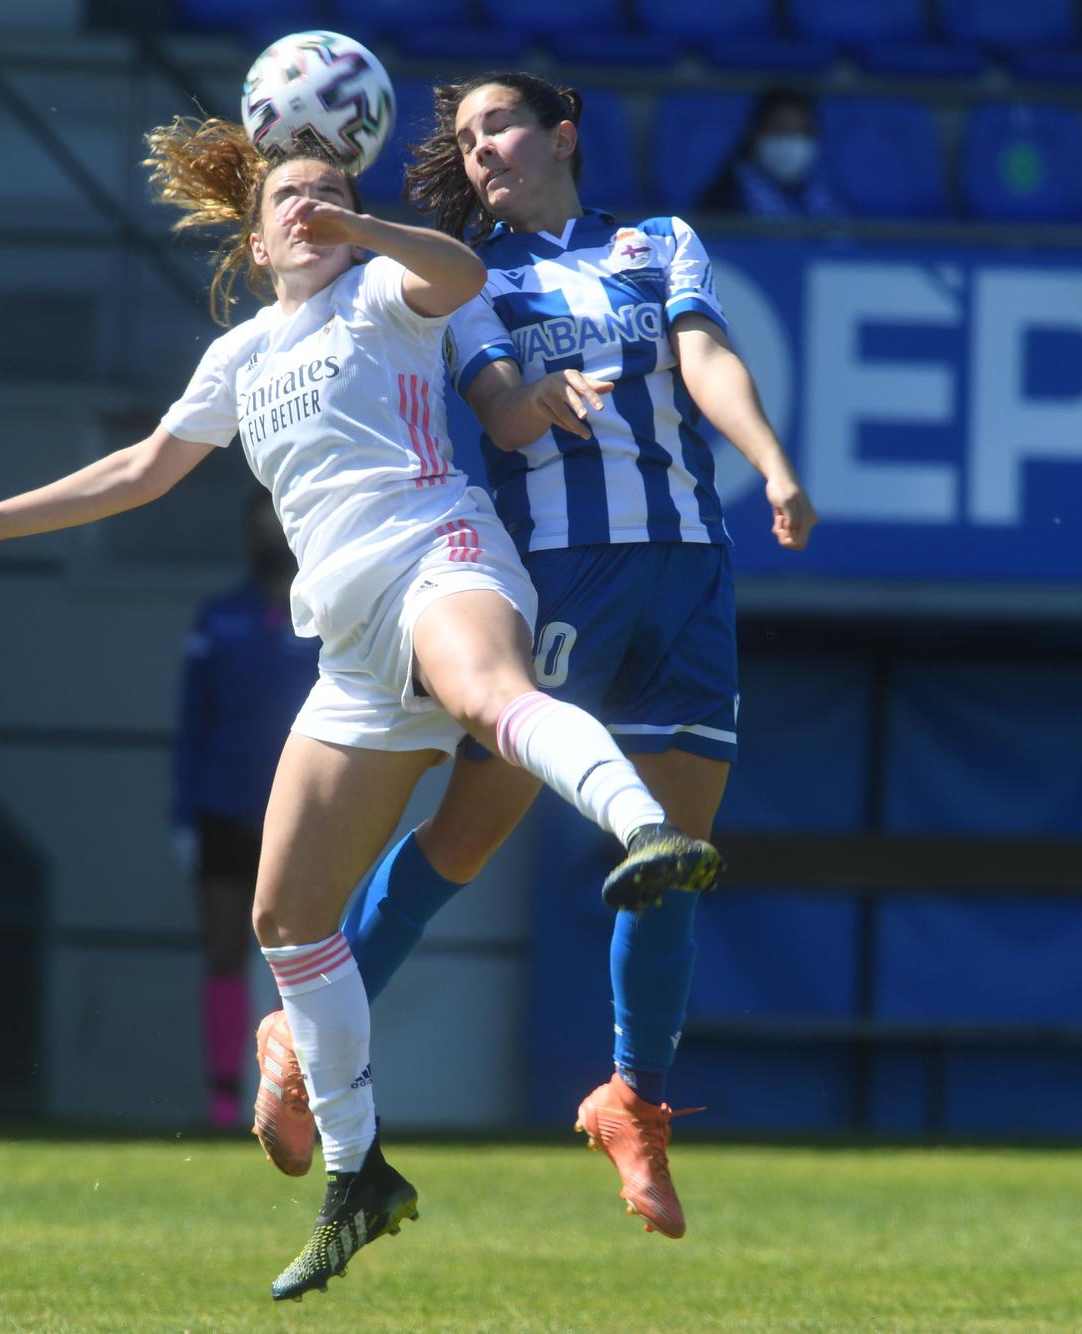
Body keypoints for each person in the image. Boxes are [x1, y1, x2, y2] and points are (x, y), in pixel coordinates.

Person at [0, 117, 723, 1301]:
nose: (311, 205)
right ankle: (358, 1172)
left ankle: (646, 833)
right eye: (292, 193)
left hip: (440, 553)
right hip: (346, 641)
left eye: (331, 188)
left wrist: (363, 221)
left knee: (495, 697)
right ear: (254, 227)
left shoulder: (385, 285)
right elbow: (139, 471)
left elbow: (461, 272)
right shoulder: (238, 356)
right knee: (286, 918)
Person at [250, 72, 818, 1241]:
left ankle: (631, 1099)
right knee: (462, 839)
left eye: (497, 125)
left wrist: (768, 460)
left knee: (676, 852)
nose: (479, 151)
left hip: (688, 572)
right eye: (462, 139)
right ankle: (302, 1031)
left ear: (562, 134)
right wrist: (533, 397)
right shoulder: (462, 275)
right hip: (562, 572)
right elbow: (499, 412)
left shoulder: (658, 241)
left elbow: (704, 358)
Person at [172, 488, 320, 1129]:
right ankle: (223, 1093)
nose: (270, 538)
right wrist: (182, 815)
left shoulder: (323, 616)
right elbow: (190, 724)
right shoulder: (217, 618)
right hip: (224, 809)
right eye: (260, 525)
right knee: (225, 951)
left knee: (309, 957)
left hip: (304, 814)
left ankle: (304, 1094)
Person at [699, 87, 846, 219]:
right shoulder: (723, 201)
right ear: (754, 134)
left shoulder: (822, 195)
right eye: (780, 130)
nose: (791, 142)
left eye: (802, 131)